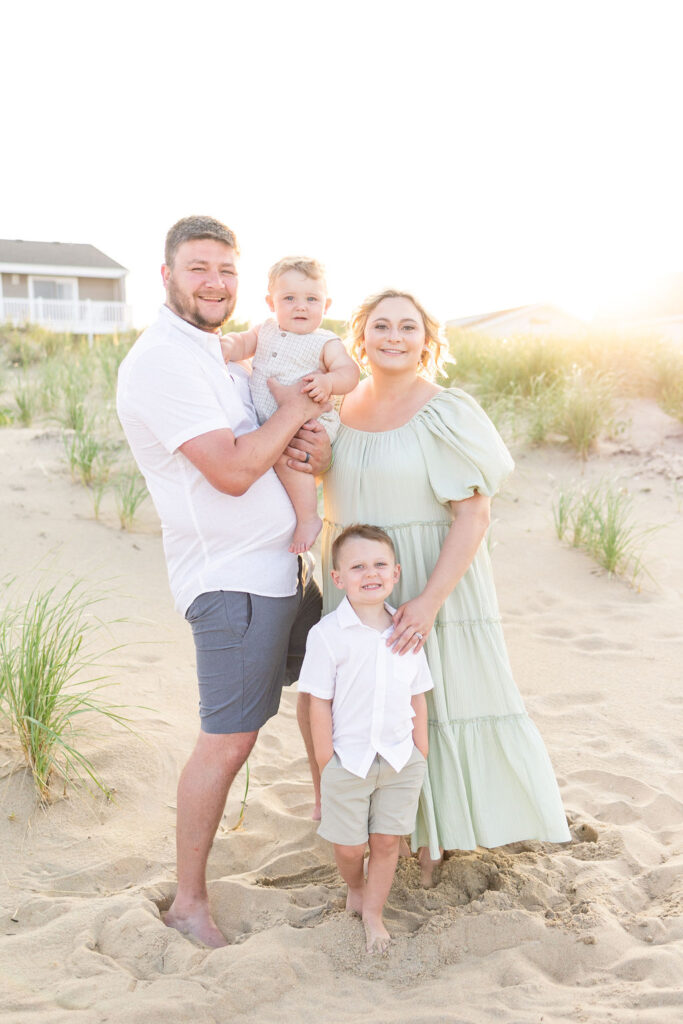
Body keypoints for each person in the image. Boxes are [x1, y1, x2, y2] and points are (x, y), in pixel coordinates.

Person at [293, 289, 571, 885]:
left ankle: (432, 836)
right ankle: (359, 819)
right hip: (357, 582)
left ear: (427, 341)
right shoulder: (339, 409)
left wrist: (426, 602)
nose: (394, 337)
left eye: (409, 328)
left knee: (435, 705)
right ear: (359, 338)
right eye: (381, 326)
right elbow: (328, 485)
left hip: (430, 576)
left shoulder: (446, 411)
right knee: (359, 702)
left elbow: (475, 515)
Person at [116, 216, 327, 947]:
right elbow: (235, 471)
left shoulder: (211, 352)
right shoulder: (161, 363)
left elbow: (265, 437)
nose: (214, 282)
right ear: (168, 275)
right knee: (226, 742)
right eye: (198, 268)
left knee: (323, 690)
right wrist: (299, 407)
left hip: (279, 570)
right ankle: (188, 903)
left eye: (226, 270)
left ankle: (332, 824)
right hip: (231, 582)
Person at [298, 524, 433, 953]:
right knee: (350, 846)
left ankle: (374, 913)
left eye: (378, 565)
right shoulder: (327, 636)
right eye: (357, 566)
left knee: (387, 842)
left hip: (399, 757)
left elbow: (419, 695)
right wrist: (325, 761)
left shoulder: (407, 631)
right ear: (338, 579)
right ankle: (355, 886)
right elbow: (317, 701)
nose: (369, 573)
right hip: (347, 759)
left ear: (395, 573)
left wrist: (420, 752)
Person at [221, 257, 359, 553]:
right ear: (271, 303)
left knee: (290, 457)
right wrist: (229, 346)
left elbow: (350, 373)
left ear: (327, 304)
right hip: (272, 419)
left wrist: (328, 383)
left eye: (312, 299)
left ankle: (308, 518)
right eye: (289, 298)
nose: (301, 306)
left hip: (308, 422)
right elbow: (244, 343)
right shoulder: (265, 329)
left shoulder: (325, 341)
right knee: (268, 451)